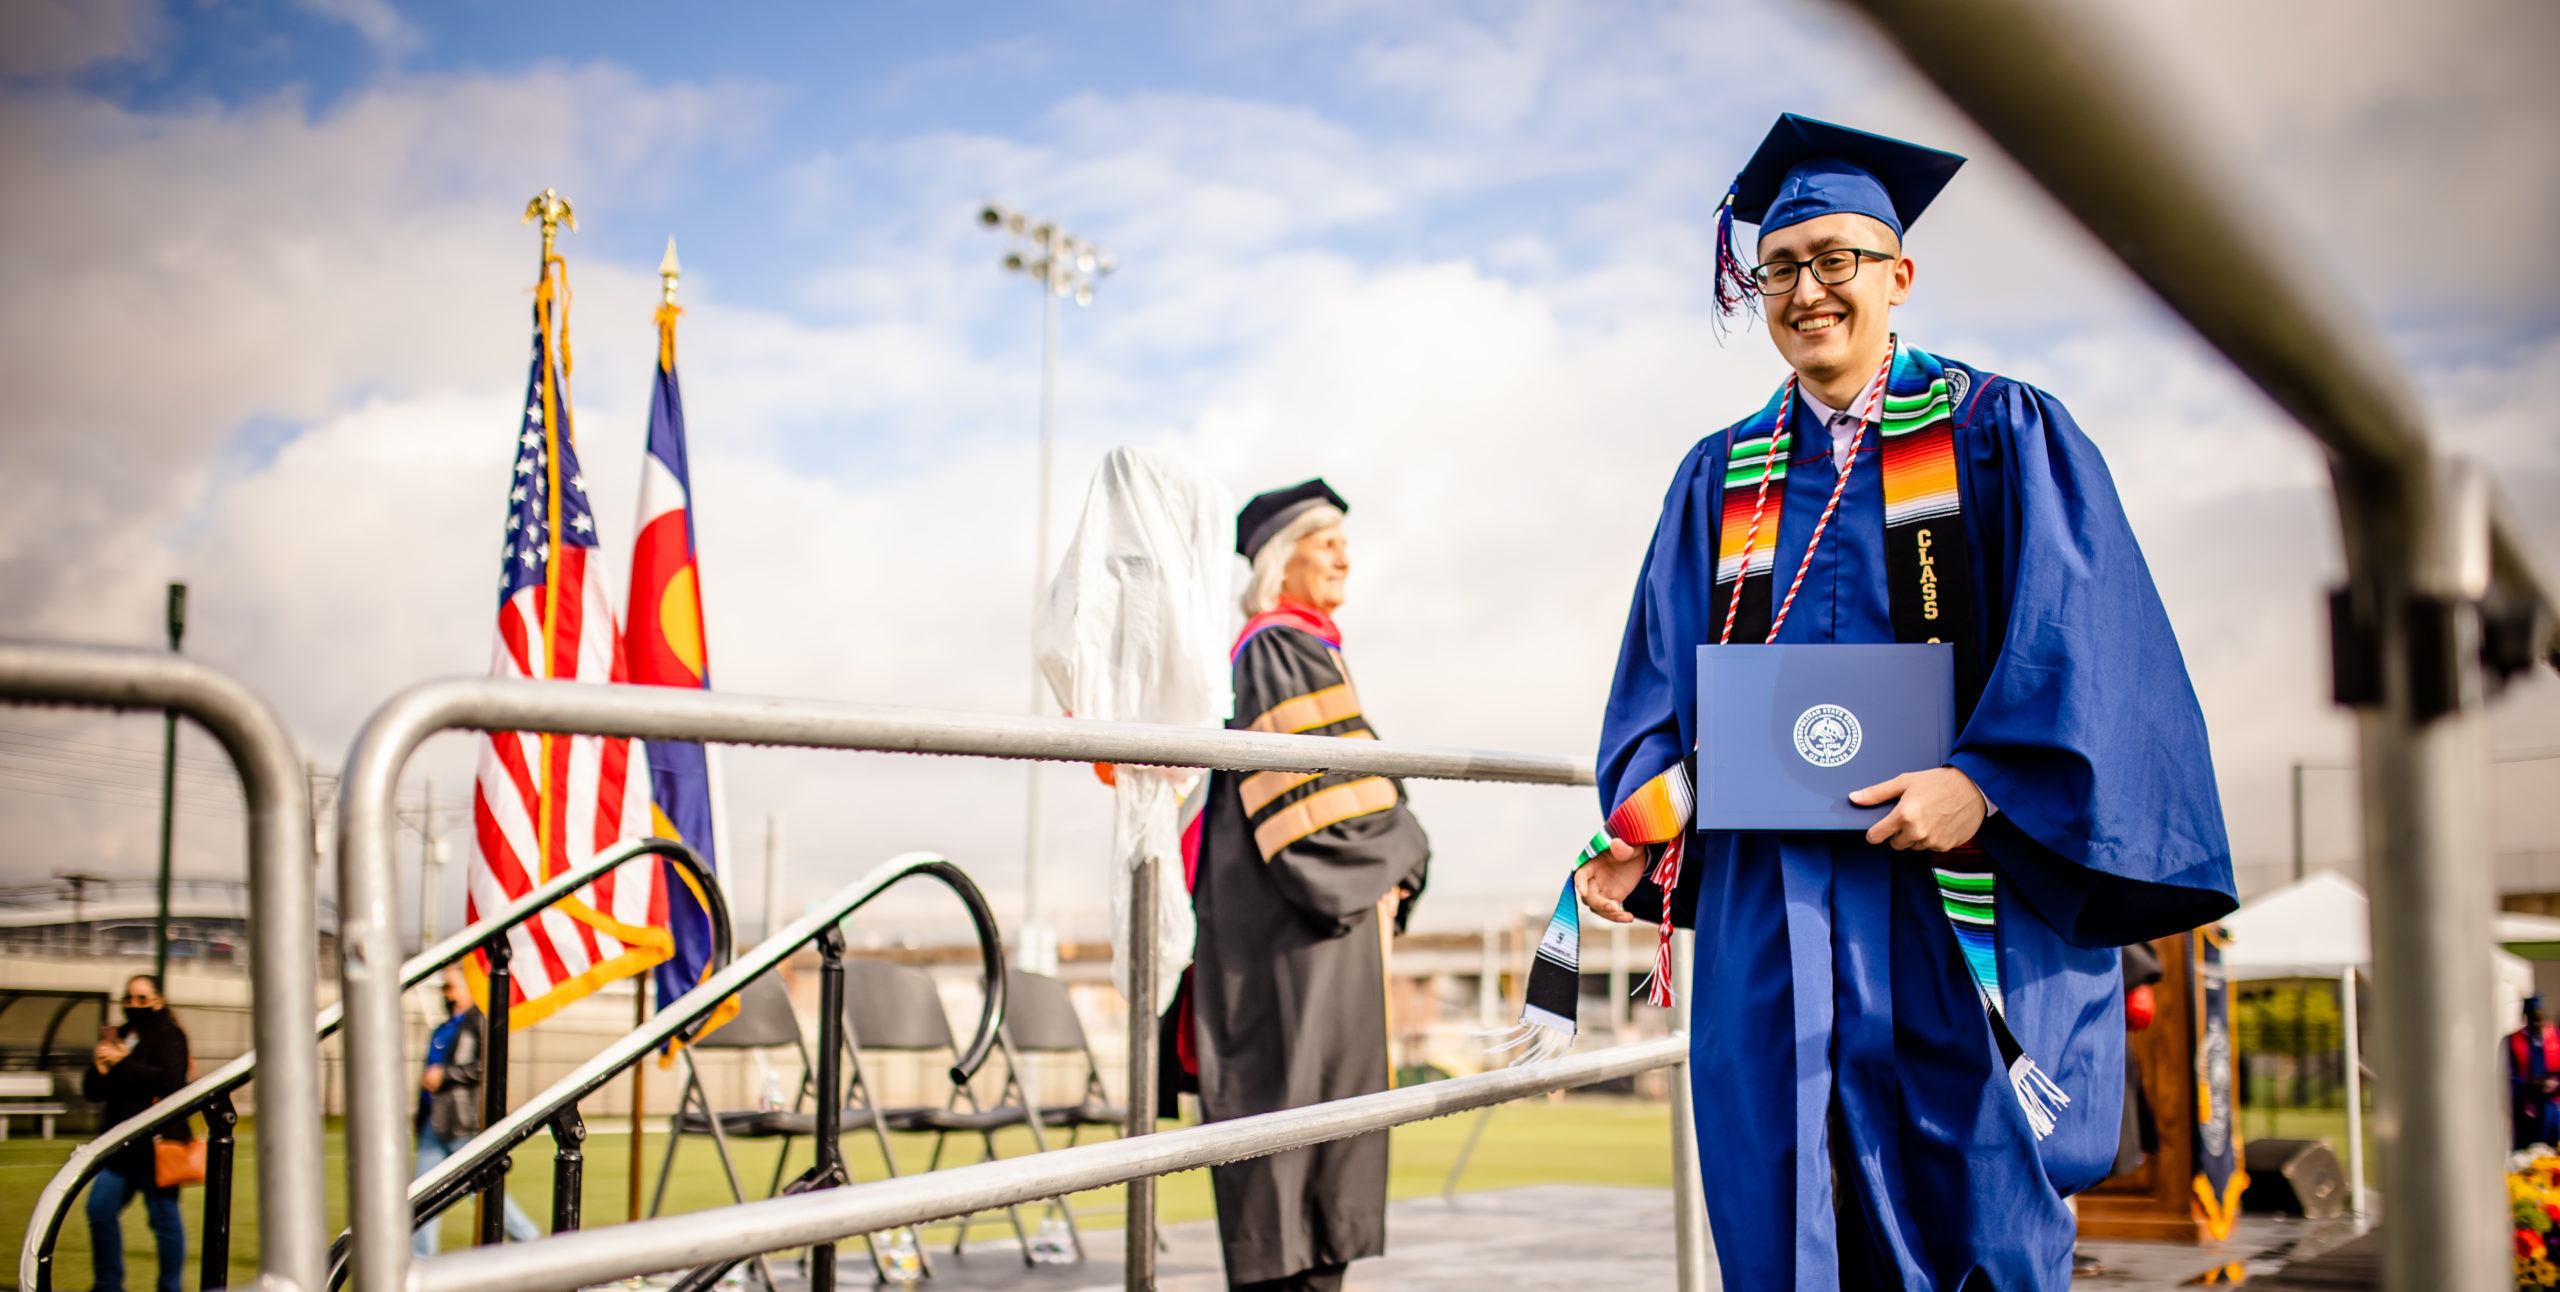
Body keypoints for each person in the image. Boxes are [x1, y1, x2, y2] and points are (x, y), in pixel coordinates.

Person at [1574, 115, 2237, 1289]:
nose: (1806, 290)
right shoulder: (1717, 478)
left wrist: (1983, 782)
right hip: (1773, 919)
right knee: (1781, 1208)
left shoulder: (1999, 432)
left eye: (1836, 259)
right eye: (1779, 267)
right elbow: (1661, 685)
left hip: (1954, 901)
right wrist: (1638, 828)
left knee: (1972, 1213)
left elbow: (2086, 653)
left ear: (1899, 275)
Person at [1188, 479, 1430, 1292]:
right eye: (1323, 541)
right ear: (1277, 563)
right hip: (1292, 929)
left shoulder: (1310, 648)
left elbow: (1349, 789)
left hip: (1324, 923)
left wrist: (1394, 856)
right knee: (1289, 1127)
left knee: (1325, 1133)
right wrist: (1402, 851)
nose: (1343, 554)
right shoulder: (1274, 647)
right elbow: (1313, 814)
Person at [414, 965, 538, 1254]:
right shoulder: (442, 1028)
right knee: (421, 1199)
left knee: (485, 1193)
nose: (447, 993)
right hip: (435, 1124)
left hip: (463, 1123)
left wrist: (444, 1075)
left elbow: (486, 1065)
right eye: (445, 987)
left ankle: (532, 1243)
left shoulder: (479, 1022)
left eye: (452, 986)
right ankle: (419, 1264)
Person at [83, 974, 190, 1292]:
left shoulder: (170, 1035)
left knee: (163, 1219)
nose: (133, 1005)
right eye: (129, 999)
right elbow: (94, 1092)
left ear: (158, 1001)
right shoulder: (124, 1034)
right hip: (120, 1146)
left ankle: (170, 1288)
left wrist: (124, 1062)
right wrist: (101, 1070)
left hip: (155, 1144)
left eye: (141, 999)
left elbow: (172, 1081)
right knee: (99, 1209)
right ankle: (108, 1284)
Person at [2511, 995, 2560, 1151]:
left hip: (2552, 1104)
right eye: (2533, 1019)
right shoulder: (2514, 1041)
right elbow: (2511, 1076)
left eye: (2540, 1020)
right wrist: (2529, 1087)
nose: (2537, 1024)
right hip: (2527, 1106)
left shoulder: (2555, 1037)